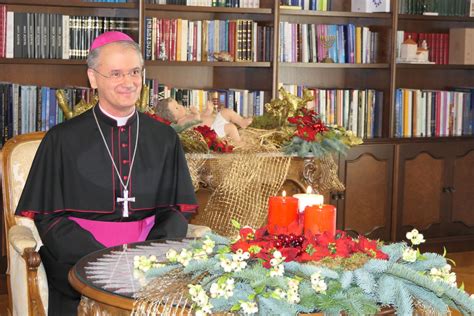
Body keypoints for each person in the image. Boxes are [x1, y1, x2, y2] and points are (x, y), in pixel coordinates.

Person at [15, 31, 197, 315]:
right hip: (79, 261)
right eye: (115, 73)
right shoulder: (62, 138)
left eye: (134, 72)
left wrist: (148, 256)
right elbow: (49, 217)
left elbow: (175, 209)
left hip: (147, 262)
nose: (128, 82)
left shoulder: (164, 138)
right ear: (92, 78)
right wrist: (102, 258)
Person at [155, 97, 252, 144]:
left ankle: (242, 122)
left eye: (177, 104)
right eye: (176, 108)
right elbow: (194, 125)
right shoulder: (181, 123)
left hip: (216, 120)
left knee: (227, 111)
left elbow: (203, 116)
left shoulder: (187, 115)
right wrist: (196, 114)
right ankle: (239, 143)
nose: (180, 106)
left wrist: (208, 110)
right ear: (172, 117)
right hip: (213, 130)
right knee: (231, 128)